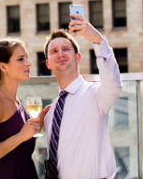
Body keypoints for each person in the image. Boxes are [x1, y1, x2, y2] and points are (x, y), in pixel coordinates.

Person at [43, 14, 122, 179]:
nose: (60, 54)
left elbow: (113, 83)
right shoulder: (51, 113)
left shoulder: (94, 94)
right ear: (48, 63)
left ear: (78, 58)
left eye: (66, 49)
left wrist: (98, 40)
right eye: (54, 51)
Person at [0, 38, 50, 178]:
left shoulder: (16, 102)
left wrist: (35, 127)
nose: (29, 63)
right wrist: (21, 136)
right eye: (21, 59)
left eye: (27, 58)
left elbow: (18, 144)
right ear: (3, 67)